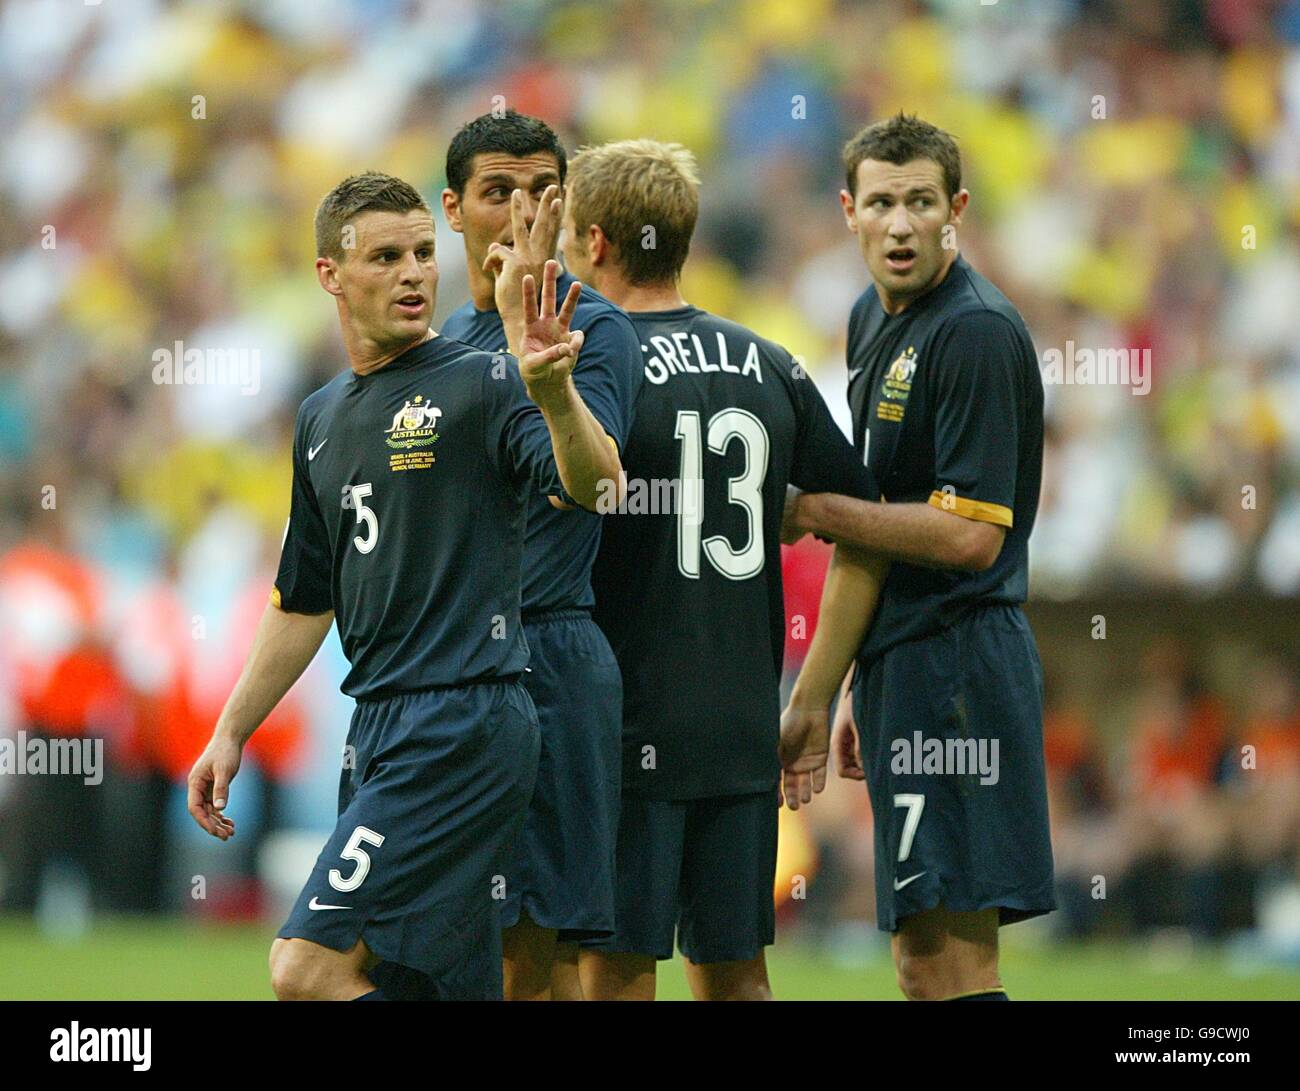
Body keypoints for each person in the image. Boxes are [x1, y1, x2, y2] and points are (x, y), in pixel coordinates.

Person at [186, 171, 622, 1001]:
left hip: (465, 719)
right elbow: (305, 596)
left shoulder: (483, 382)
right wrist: (230, 730)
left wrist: (555, 390)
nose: (416, 271)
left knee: (306, 967)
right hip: (381, 723)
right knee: (430, 987)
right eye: (387, 256)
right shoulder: (320, 417)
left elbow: (597, 486)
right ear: (330, 275)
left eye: (424, 253)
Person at [560, 139, 876, 1000]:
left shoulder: (596, 366)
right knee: (737, 974)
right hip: (741, 722)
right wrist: (815, 691)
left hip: (628, 722)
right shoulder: (770, 363)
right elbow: (872, 523)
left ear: (592, 242)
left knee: (615, 970)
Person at [781, 114, 1055, 1001]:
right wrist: (852, 681)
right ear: (849, 211)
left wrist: (818, 508)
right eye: (883, 202)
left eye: (921, 202)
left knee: (953, 962)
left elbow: (971, 537)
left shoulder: (972, 332)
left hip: (964, 664)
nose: (901, 224)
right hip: (909, 660)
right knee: (921, 959)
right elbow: (887, 520)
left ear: (956, 210)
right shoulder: (871, 319)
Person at [441, 111, 642, 999]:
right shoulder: (441, 341)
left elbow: (595, 486)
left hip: (543, 661)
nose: (520, 211)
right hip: (441, 670)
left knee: (534, 958)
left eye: (539, 192)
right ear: (454, 210)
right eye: (497, 192)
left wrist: (549, 380)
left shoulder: (590, 328)